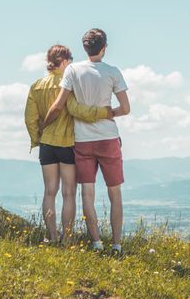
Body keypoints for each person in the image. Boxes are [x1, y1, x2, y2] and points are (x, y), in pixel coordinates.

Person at [42, 28, 130, 254]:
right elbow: (126, 108)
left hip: (82, 140)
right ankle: (117, 245)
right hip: (108, 138)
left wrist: (42, 127)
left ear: (84, 48)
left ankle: (97, 243)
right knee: (115, 194)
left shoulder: (72, 70)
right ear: (104, 48)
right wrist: (109, 113)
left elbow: (60, 104)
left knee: (87, 194)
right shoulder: (113, 72)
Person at [24, 44, 112, 244]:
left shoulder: (36, 85)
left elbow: (30, 118)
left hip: (46, 146)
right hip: (67, 144)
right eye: (69, 63)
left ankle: (53, 237)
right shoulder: (68, 84)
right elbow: (76, 110)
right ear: (63, 62)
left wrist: (38, 138)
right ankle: (67, 238)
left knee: (49, 192)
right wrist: (104, 113)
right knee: (69, 193)